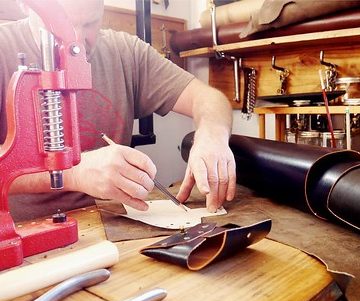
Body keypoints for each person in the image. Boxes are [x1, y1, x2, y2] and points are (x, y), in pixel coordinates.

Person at [0, 0, 236, 221]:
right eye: (64, 25)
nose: (78, 41)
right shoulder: (3, 48)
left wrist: (211, 136)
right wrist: (75, 173)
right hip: (26, 233)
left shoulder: (126, 52)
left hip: (113, 227)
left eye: (90, 23)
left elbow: (208, 98)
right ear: (26, 5)